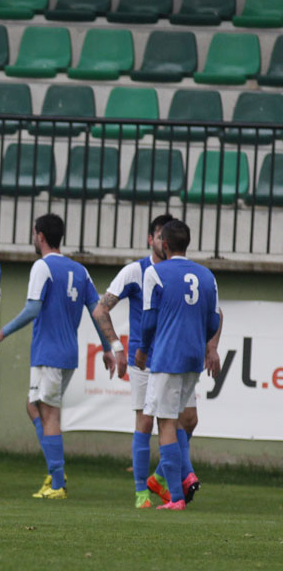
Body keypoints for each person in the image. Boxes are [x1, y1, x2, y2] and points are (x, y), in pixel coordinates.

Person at [92, 214, 219, 508]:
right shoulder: (137, 271)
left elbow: (209, 316)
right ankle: (143, 492)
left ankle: (166, 480)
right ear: (152, 240)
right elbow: (101, 309)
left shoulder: (167, 274)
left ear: (165, 242)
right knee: (148, 420)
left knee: (182, 420)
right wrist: (118, 348)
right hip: (144, 358)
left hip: (162, 355)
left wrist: (210, 346)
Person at [0, 214, 113, 500]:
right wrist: (106, 347)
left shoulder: (42, 267)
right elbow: (97, 312)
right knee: (34, 407)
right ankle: (55, 471)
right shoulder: (80, 270)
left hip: (50, 354)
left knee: (49, 413)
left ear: (40, 235)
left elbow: (32, 309)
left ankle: (58, 483)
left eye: (34, 234)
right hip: (66, 353)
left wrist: (0, 334)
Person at [137, 220, 221, 511]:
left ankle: (175, 497)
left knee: (167, 421)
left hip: (167, 357)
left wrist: (143, 350)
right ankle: (175, 487)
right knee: (180, 419)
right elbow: (213, 320)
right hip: (192, 359)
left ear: (165, 245)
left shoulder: (155, 273)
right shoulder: (207, 276)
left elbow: (148, 322)